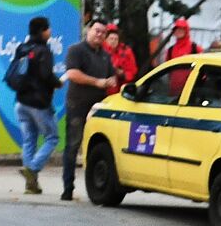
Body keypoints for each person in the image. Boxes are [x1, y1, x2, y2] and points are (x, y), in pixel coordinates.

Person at [61, 19, 117, 201]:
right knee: (72, 145)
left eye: (103, 33)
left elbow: (111, 75)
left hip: (98, 108)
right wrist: (96, 82)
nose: (99, 35)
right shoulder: (76, 50)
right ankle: (67, 188)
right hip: (77, 105)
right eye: (97, 31)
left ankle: (97, 187)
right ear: (88, 31)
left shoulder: (105, 56)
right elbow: (72, 74)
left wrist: (112, 81)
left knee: (96, 146)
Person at [12, 16, 63, 194]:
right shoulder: (44, 51)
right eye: (48, 28)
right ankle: (32, 169)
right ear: (42, 31)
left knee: (29, 140)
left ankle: (31, 185)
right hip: (38, 103)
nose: (50, 31)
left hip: (21, 102)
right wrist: (58, 83)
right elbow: (45, 75)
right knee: (52, 137)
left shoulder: (22, 48)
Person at [104, 25, 137, 95]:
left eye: (116, 39)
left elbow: (133, 71)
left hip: (121, 90)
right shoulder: (100, 50)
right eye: (111, 39)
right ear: (105, 39)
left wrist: (123, 74)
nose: (113, 41)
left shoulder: (126, 51)